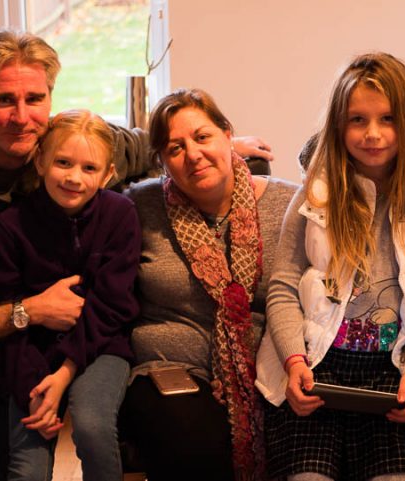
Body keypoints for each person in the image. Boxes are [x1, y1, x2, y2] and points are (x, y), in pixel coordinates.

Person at [0, 27, 272, 481]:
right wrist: (27, 312)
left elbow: (144, 144)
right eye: (3, 100)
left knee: (17, 461)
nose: (21, 117)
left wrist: (218, 147)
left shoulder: (68, 143)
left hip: (47, 337)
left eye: (34, 99)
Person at [255, 52, 405, 481]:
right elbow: (282, 287)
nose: (373, 134)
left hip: (391, 375)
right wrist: (294, 362)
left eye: (388, 119)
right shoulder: (314, 195)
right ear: (338, 125)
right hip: (315, 367)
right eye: (357, 120)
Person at [119, 88, 297, 481]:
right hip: (167, 369)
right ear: (162, 161)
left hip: (268, 372)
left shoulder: (288, 204)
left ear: (228, 135)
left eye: (203, 137)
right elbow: (85, 162)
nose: (193, 155)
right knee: (193, 441)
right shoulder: (139, 205)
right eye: (175, 148)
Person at [0, 109, 139, 481]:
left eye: (89, 168)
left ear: (108, 174)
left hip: (101, 347)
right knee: (27, 465)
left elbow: (112, 306)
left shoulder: (120, 215)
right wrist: (29, 389)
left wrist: (65, 372)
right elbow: (1, 311)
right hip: (28, 352)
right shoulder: (10, 227)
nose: (74, 178)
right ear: (41, 161)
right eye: (63, 163)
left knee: (93, 427)